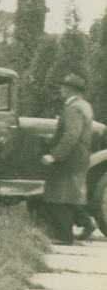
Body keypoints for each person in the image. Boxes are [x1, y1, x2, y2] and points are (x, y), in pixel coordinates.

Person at [40, 73, 94, 245]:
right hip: (78, 157)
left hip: (69, 159)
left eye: (63, 86)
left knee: (60, 196)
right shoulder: (84, 105)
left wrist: (54, 156)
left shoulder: (73, 108)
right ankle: (86, 223)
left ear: (72, 89)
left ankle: (64, 237)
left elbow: (71, 136)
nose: (61, 89)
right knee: (69, 194)